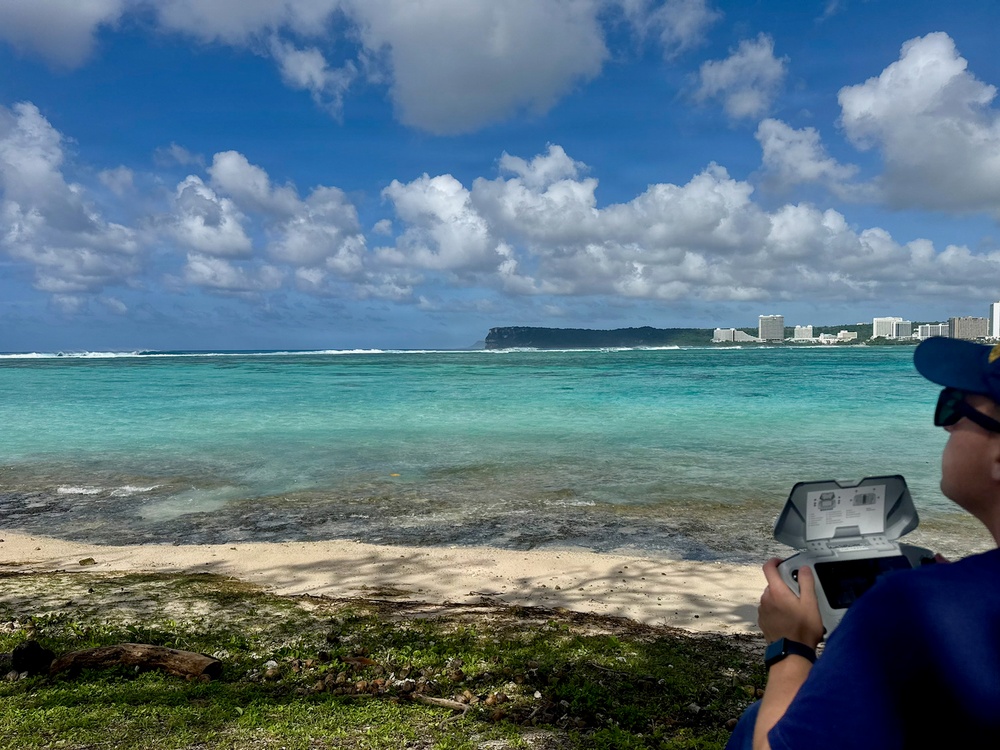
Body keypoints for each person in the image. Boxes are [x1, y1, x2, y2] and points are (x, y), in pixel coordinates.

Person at [726, 336, 1000, 750]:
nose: (945, 422)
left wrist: (791, 644)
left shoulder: (910, 605)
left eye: (954, 404)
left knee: (756, 724)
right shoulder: (946, 601)